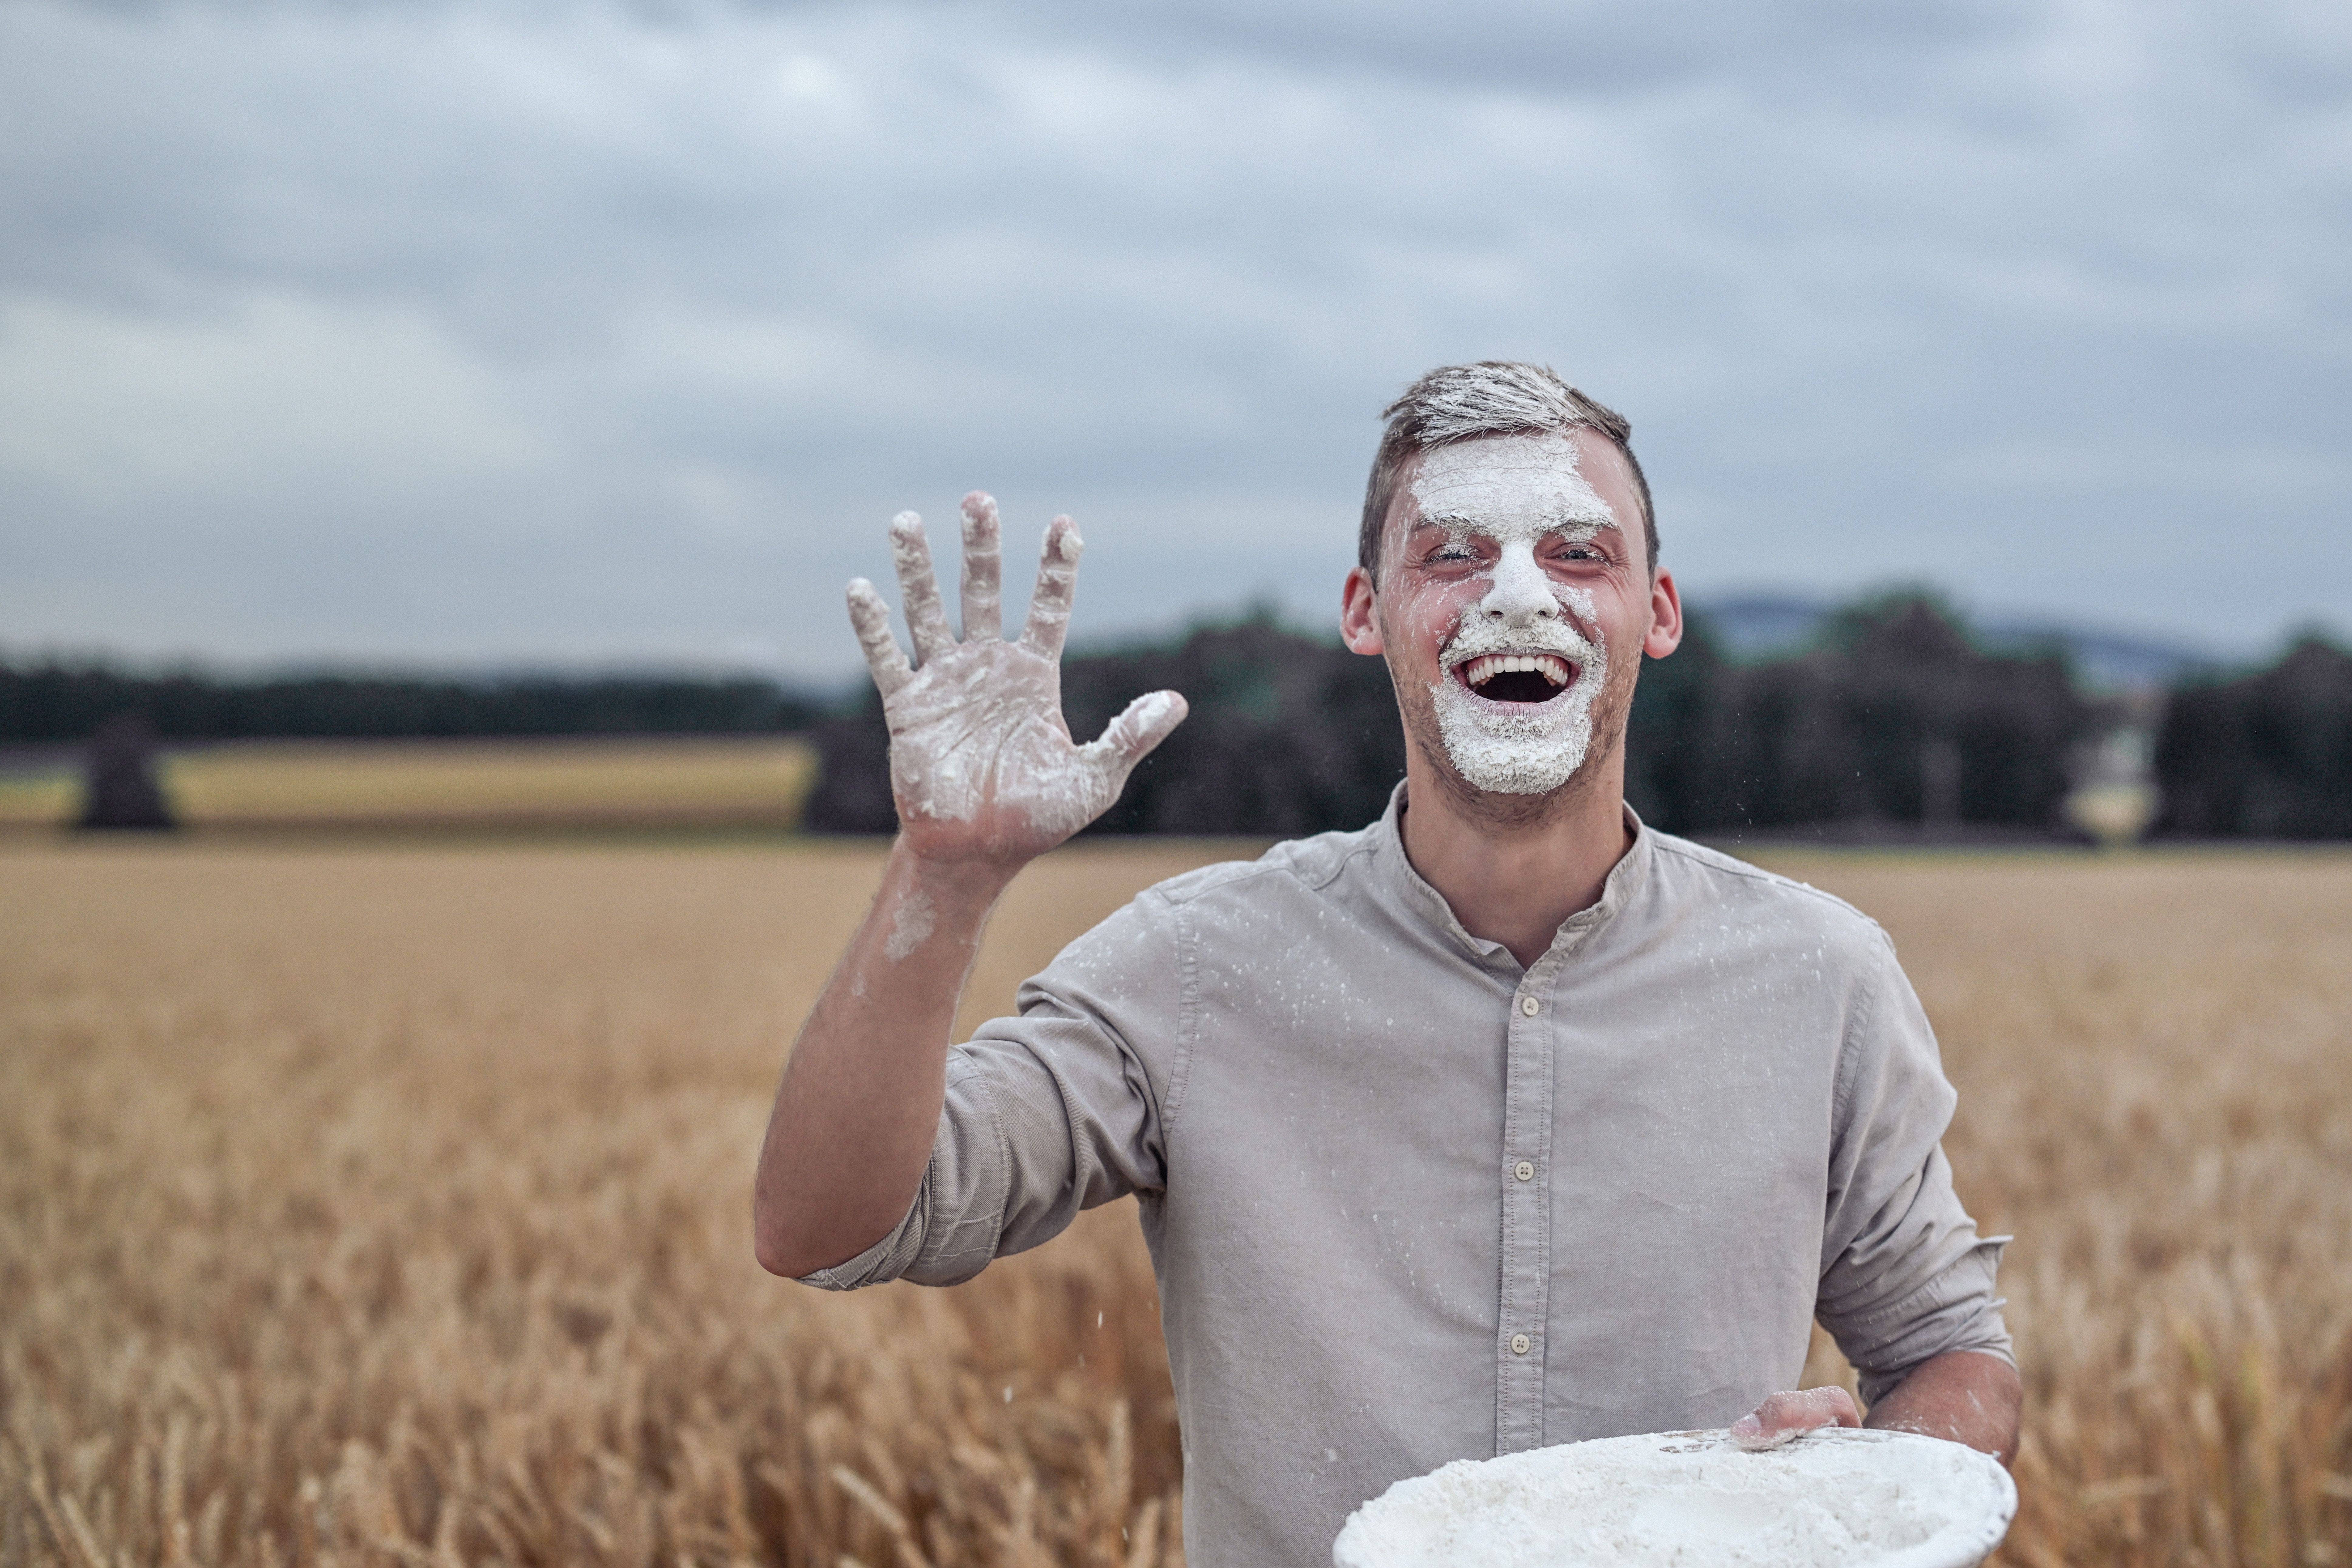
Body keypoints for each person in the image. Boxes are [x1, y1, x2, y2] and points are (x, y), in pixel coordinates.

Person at [753, 361, 2021, 1568]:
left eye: (1578, 553)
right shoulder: (1193, 968)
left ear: (1658, 608)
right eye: (1450, 554)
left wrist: (1869, 1485)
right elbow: (830, 1227)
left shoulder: (1818, 978)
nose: (1516, 597)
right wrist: (945, 875)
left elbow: (1945, 1350)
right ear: (1367, 612)